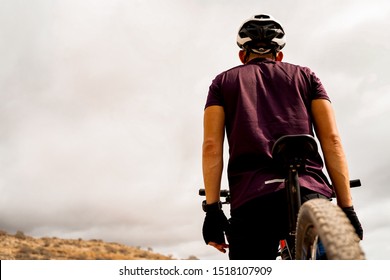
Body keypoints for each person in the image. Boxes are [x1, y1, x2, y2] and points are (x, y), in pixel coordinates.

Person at [201, 14, 363, 260]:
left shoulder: (223, 82)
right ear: (279, 55)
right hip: (309, 191)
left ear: (242, 55)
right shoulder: (307, 76)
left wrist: (212, 212)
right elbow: (332, 140)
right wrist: (347, 209)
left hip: (252, 200)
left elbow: (212, 146)